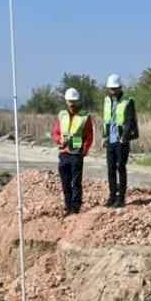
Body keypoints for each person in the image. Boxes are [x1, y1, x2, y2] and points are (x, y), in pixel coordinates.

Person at [51, 88, 94, 216]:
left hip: (76, 152)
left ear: (78, 101)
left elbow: (89, 135)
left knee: (75, 182)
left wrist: (84, 150)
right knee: (65, 182)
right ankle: (68, 206)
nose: (72, 104)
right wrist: (59, 140)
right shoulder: (62, 115)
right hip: (64, 152)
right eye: (70, 102)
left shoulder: (84, 116)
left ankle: (75, 208)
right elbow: (55, 132)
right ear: (66, 101)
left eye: (74, 102)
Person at [102, 74, 138, 208]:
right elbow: (106, 120)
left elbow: (129, 120)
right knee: (110, 169)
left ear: (120, 88)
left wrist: (125, 136)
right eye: (110, 89)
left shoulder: (127, 101)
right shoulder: (107, 100)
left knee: (120, 168)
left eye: (115, 88)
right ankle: (112, 196)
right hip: (110, 140)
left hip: (122, 140)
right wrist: (104, 136)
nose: (112, 91)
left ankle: (121, 198)